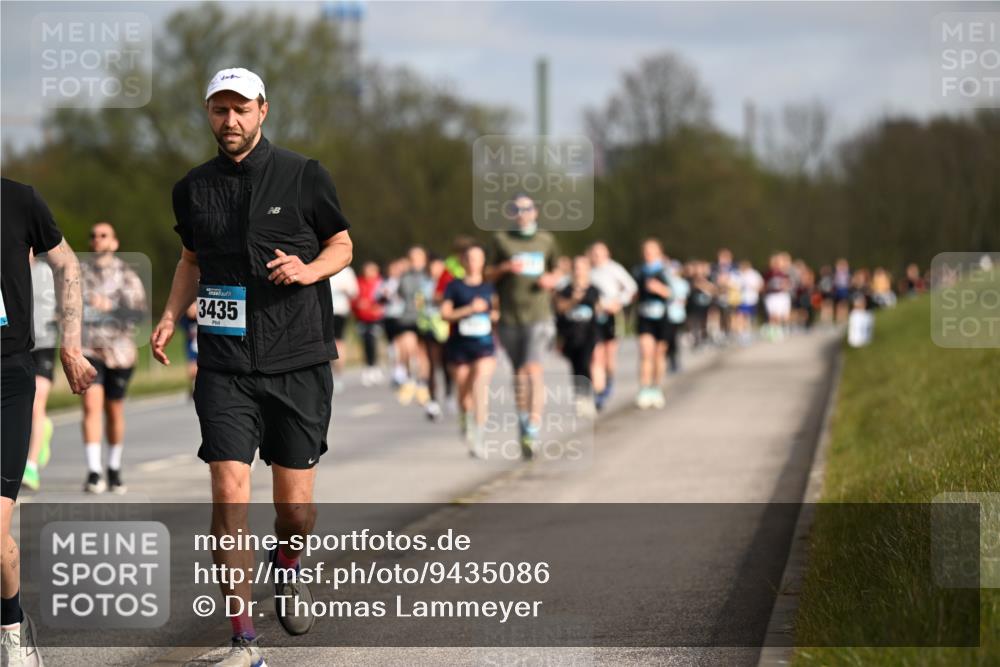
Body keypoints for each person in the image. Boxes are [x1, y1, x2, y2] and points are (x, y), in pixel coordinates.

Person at [150, 67, 353, 667]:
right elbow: (191, 258)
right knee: (229, 493)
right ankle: (242, 639)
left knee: (295, 511)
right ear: (209, 114)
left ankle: (288, 564)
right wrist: (169, 314)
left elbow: (342, 243)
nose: (230, 121)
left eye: (241, 109)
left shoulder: (305, 174)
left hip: (298, 358)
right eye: (219, 110)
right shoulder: (191, 187)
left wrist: (311, 270)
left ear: (263, 110)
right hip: (224, 363)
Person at [2, 177, 96, 667]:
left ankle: (12, 631)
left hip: (7, 379)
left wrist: (71, 343)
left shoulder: (19, 200)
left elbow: (67, 263)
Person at [487, 193, 560, 459]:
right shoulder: (501, 240)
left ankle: (535, 423)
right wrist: (505, 267)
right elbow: (487, 275)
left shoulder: (546, 239)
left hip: (539, 315)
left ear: (535, 212)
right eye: (516, 209)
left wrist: (551, 279)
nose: (522, 213)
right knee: (518, 372)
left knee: (533, 368)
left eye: (526, 208)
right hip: (509, 316)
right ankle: (522, 419)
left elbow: (558, 269)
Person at [80, 221, 148, 494]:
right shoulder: (80, 274)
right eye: (94, 235)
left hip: (120, 352)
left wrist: (110, 307)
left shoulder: (127, 275)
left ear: (115, 242)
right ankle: (94, 471)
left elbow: (139, 314)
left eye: (104, 235)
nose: (98, 239)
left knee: (114, 410)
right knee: (91, 406)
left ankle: (114, 467)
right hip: (89, 350)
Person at [441, 243, 498, 457]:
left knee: (480, 388)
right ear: (463, 262)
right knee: (465, 394)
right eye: (469, 258)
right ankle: (465, 417)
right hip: (459, 345)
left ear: (483, 262)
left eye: (477, 258)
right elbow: (445, 314)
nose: (473, 262)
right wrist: (468, 310)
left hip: (484, 344)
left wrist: (491, 314)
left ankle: (479, 437)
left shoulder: (489, 287)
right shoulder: (454, 286)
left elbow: (497, 312)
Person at [586, 241, 637, 411]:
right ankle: (598, 392)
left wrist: (618, 302)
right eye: (594, 253)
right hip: (593, 317)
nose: (597, 257)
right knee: (595, 355)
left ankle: (609, 381)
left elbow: (631, 288)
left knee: (609, 355)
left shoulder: (614, 268)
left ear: (607, 254)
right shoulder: (588, 270)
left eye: (600, 253)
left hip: (611, 316)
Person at [22, 253, 58, 492]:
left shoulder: (48, 271)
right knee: (19, 405)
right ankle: (42, 426)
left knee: (36, 403)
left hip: (44, 343)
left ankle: (31, 467)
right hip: (15, 344)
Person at [555, 255, 601, 418]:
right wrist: (573, 300)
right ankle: (580, 399)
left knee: (585, 363)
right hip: (570, 335)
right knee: (575, 368)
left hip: (589, 334)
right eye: (576, 267)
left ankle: (589, 398)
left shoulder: (593, 289)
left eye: (582, 267)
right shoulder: (565, 289)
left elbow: (599, 309)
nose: (578, 271)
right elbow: (560, 308)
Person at [632, 238, 671, 409]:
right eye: (646, 251)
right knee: (645, 352)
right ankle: (644, 388)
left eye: (651, 250)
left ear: (658, 252)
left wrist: (660, 289)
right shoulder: (638, 271)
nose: (648, 254)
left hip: (662, 316)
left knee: (658, 354)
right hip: (644, 316)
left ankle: (657, 388)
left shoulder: (665, 271)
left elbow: (675, 293)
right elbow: (632, 292)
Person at [395, 246, 432, 408]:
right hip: (408, 317)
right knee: (408, 347)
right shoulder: (405, 276)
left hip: (426, 319)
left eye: (419, 258)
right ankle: (410, 379)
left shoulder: (428, 276)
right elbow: (401, 293)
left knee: (423, 353)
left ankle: (423, 384)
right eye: (412, 259)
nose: (415, 262)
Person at [417, 256, 450, 420]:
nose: (434, 270)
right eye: (432, 266)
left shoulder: (449, 282)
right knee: (431, 365)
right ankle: (433, 400)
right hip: (429, 327)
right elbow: (419, 304)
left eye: (438, 266)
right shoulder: (424, 284)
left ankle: (450, 394)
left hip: (446, 328)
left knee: (446, 365)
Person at [352, 261, 385, 387]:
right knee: (365, 342)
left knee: (373, 341)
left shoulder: (380, 283)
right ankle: (368, 366)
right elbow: (353, 299)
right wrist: (358, 304)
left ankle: (375, 366)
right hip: (361, 318)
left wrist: (373, 305)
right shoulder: (359, 282)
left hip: (375, 318)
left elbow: (384, 299)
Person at [328, 262, 358, 392]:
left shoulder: (346, 271)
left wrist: (344, 289)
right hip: (324, 310)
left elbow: (354, 292)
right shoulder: (323, 266)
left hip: (340, 311)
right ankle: (329, 376)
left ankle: (338, 376)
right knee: (326, 343)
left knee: (338, 343)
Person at [664, 259, 689, 374]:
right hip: (665, 315)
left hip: (677, 315)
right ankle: (669, 362)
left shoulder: (682, 283)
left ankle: (674, 362)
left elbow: (683, 300)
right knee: (667, 341)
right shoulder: (666, 281)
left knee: (674, 340)